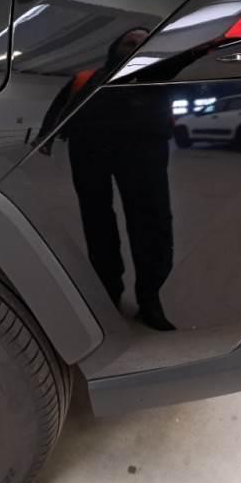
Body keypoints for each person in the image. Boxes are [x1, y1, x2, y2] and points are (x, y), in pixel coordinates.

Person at [38, 28, 176, 331]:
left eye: (143, 42)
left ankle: (149, 298)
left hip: (144, 151)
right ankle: (109, 290)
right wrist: (45, 136)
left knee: (152, 222)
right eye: (130, 41)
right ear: (115, 47)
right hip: (89, 148)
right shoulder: (87, 78)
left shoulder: (160, 75)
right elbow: (61, 106)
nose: (136, 45)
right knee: (97, 219)